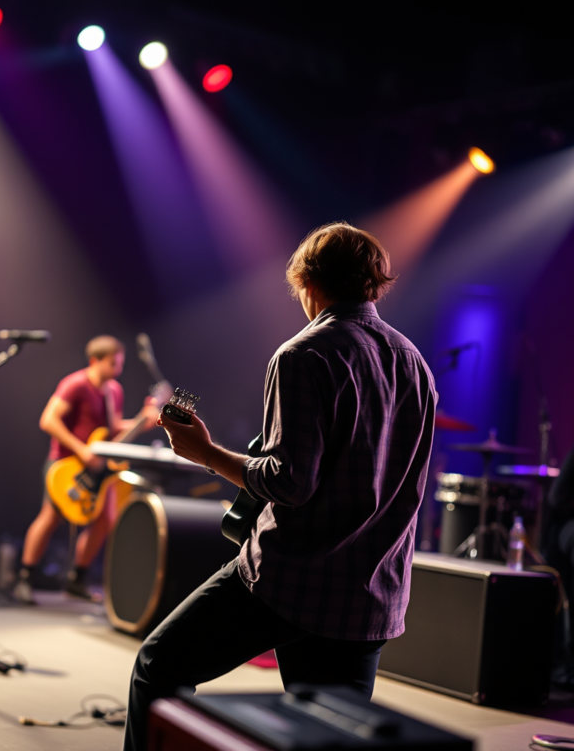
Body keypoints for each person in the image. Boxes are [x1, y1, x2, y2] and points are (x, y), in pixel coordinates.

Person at [123, 222, 437, 750]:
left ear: (308, 281)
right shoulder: (414, 363)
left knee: (158, 668)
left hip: (290, 581)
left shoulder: (302, 354)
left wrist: (205, 453)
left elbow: (288, 482)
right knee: (331, 737)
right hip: (367, 593)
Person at [14, 335, 159, 603]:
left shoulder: (114, 390)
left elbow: (113, 427)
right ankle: (24, 576)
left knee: (105, 519)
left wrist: (143, 421)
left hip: (99, 468)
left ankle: (77, 579)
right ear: (95, 361)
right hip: (66, 464)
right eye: (113, 363)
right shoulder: (76, 384)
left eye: (120, 363)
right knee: (51, 517)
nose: (118, 369)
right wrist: (81, 449)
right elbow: (48, 420)